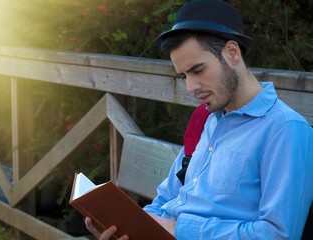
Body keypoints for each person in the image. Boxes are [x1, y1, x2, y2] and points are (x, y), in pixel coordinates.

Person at [85, 0, 313, 239]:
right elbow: (165, 200)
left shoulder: (286, 129)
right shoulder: (206, 120)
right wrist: (127, 226)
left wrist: (178, 229)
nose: (190, 87)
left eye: (198, 70)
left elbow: (278, 235)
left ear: (232, 53)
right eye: (183, 75)